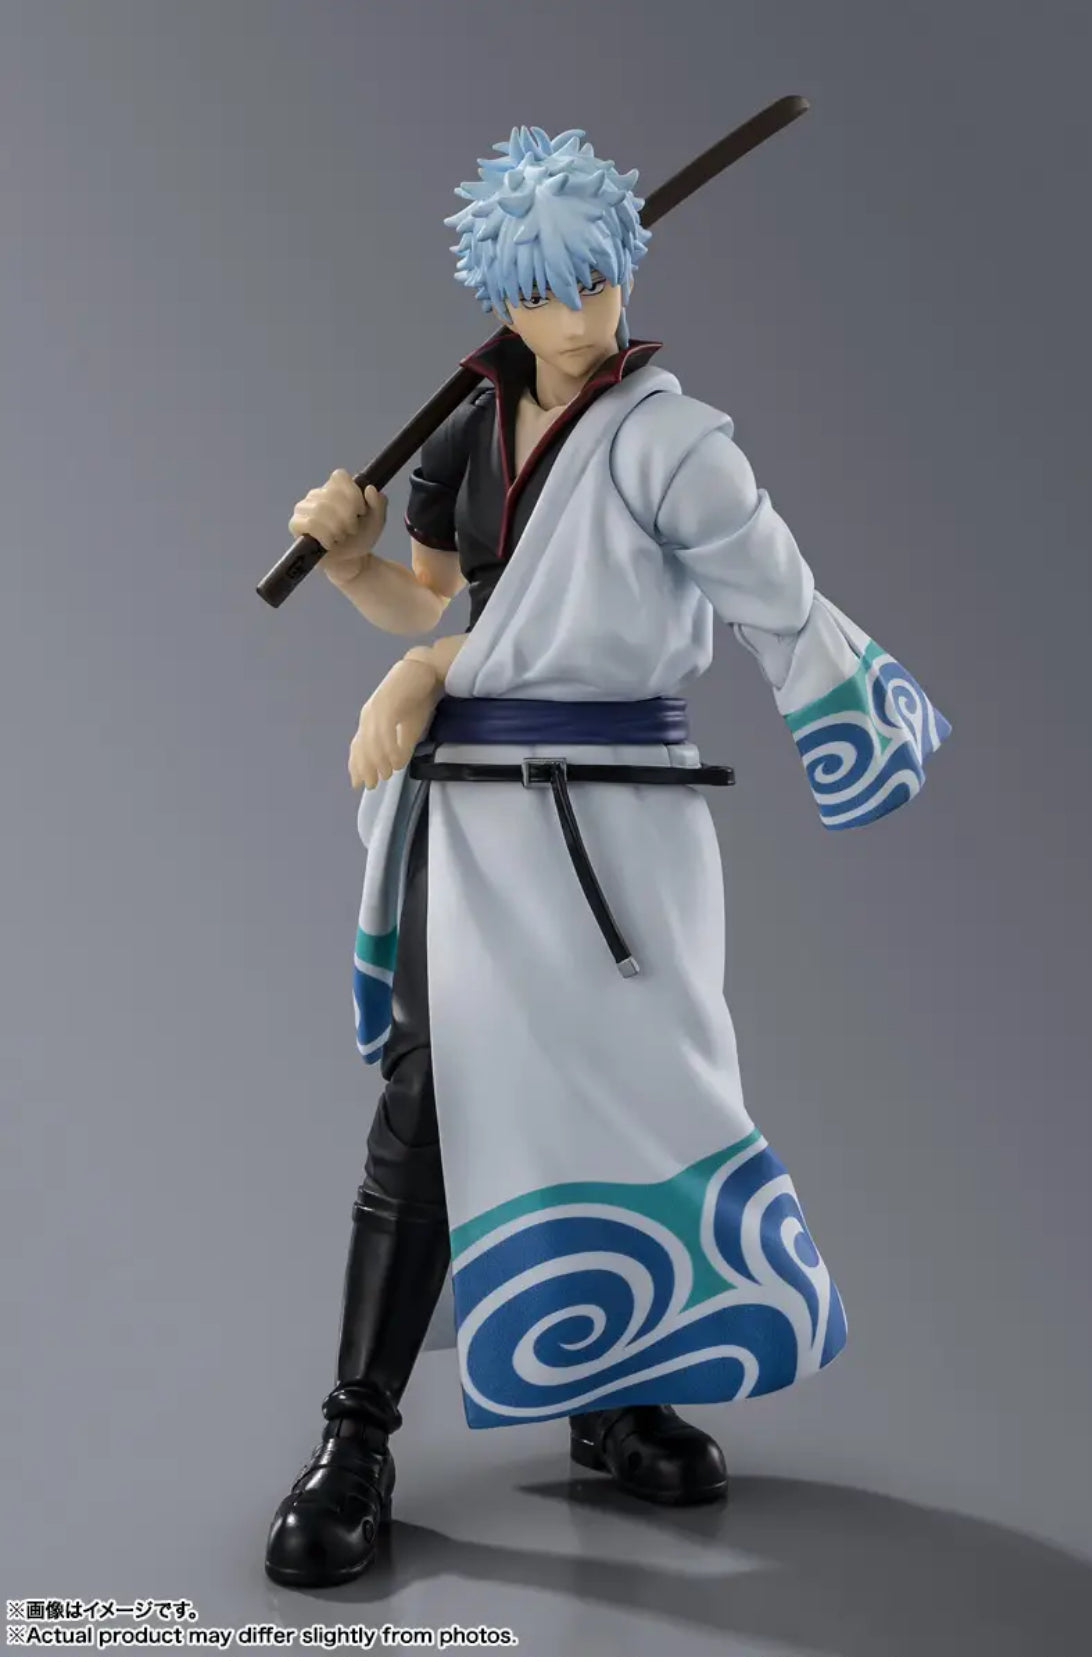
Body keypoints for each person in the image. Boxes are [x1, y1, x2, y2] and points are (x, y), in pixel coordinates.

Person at [265, 125, 949, 1588]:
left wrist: (847, 709)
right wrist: (356, 565)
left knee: (639, 1086)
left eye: (602, 279)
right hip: (481, 823)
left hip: (624, 821)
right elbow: (435, 598)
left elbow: (771, 587)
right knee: (435, 1099)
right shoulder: (469, 430)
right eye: (553, 289)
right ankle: (355, 1436)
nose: (584, 314)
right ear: (506, 296)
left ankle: (617, 1391)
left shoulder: (671, 440)